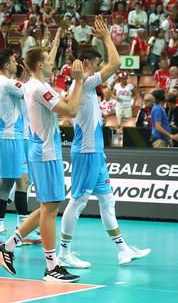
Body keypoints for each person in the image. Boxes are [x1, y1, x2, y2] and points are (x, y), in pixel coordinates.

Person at [57, 16, 150, 270]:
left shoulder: (84, 84)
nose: (100, 69)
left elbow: (111, 63)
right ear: (87, 64)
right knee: (77, 203)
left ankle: (122, 250)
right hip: (86, 153)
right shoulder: (85, 83)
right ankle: (63, 252)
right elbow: (116, 62)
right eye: (96, 64)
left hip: (96, 154)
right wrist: (107, 37)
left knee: (108, 201)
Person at [0, 34, 84, 282]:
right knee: (51, 209)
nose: (53, 64)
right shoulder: (39, 88)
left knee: (47, 207)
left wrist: (53, 43)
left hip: (40, 150)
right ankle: (51, 267)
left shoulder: (35, 85)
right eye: (49, 61)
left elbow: (61, 102)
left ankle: (7, 247)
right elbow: (71, 110)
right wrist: (79, 82)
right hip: (45, 152)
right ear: (40, 65)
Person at [0, 48, 41, 247]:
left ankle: (23, 228)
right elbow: (32, 91)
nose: (16, 63)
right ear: (6, 65)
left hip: (16, 137)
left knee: (23, 182)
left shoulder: (0, 82)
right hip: (10, 137)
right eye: (13, 60)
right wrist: (33, 71)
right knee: (7, 183)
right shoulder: (6, 83)